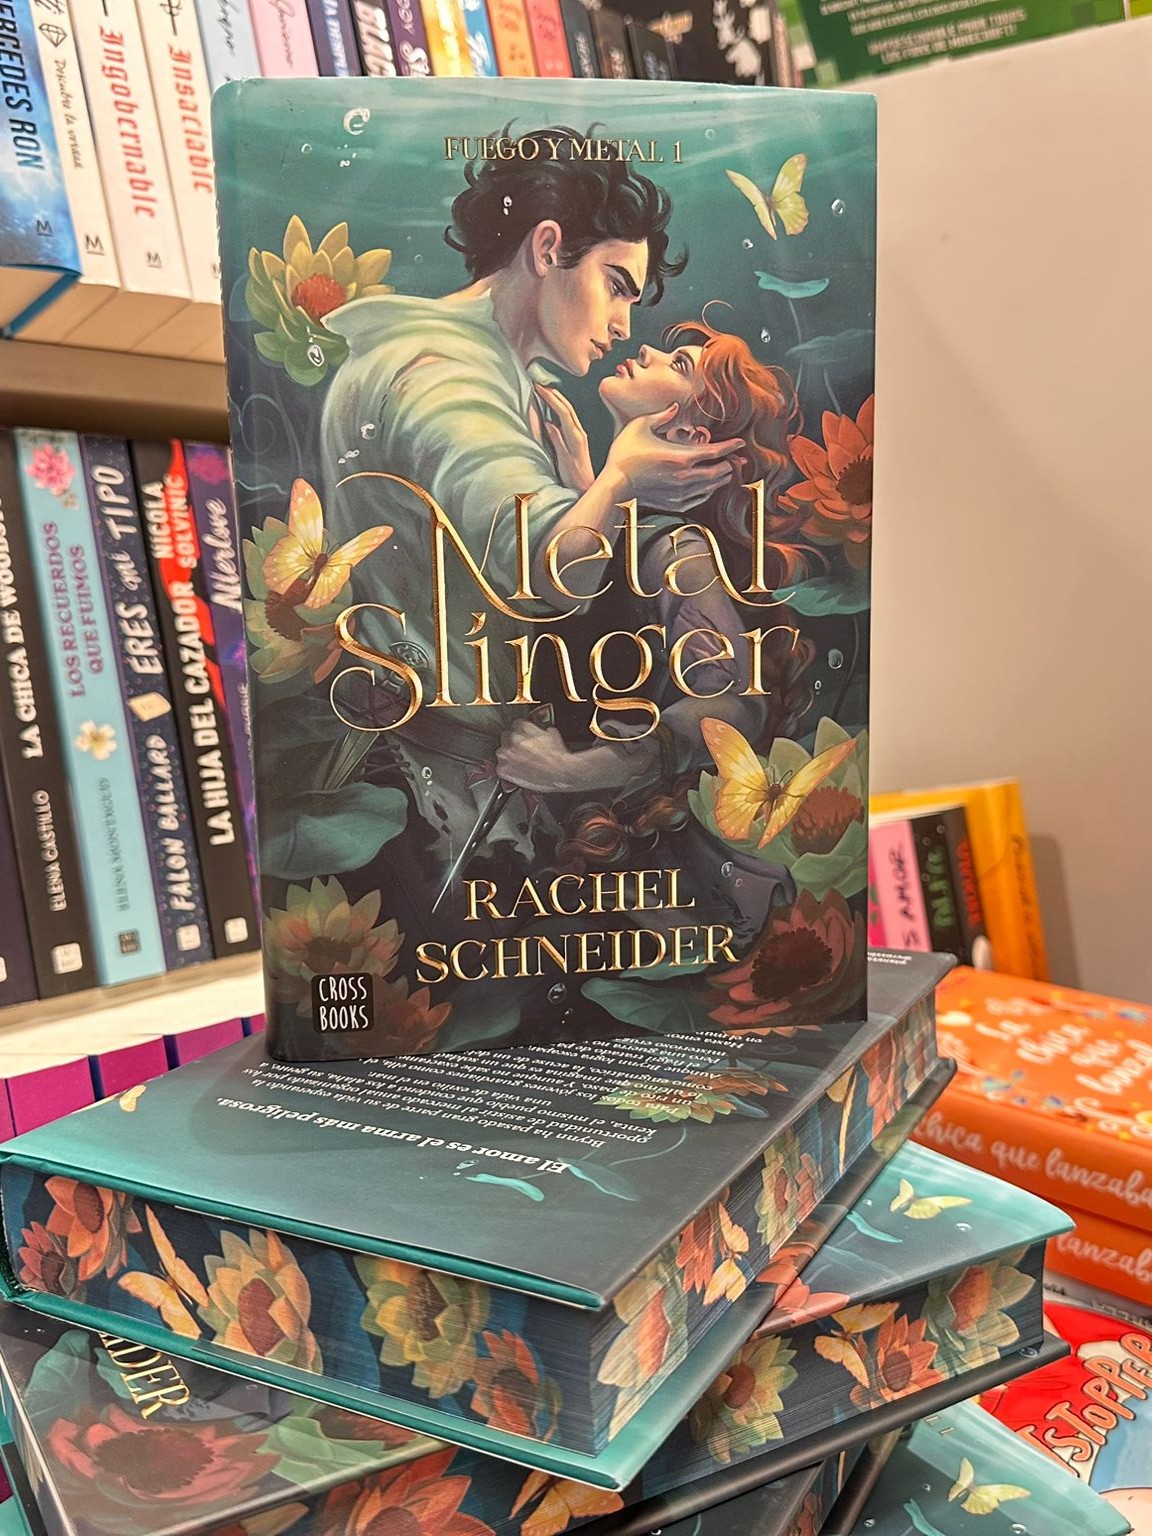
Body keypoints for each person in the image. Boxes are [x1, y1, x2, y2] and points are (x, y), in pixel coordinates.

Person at [319, 128, 742, 875]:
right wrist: (615, 481)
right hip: (444, 796)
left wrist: (592, 485)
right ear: (548, 248)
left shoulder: (491, 378)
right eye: (617, 284)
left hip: (471, 785)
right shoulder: (446, 377)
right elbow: (544, 571)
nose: (625, 327)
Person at [494, 318, 814, 869]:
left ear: (688, 435)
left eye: (679, 365)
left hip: (608, 841)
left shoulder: (677, 550)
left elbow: (735, 704)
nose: (647, 349)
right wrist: (589, 487)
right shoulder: (621, 513)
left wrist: (576, 770)